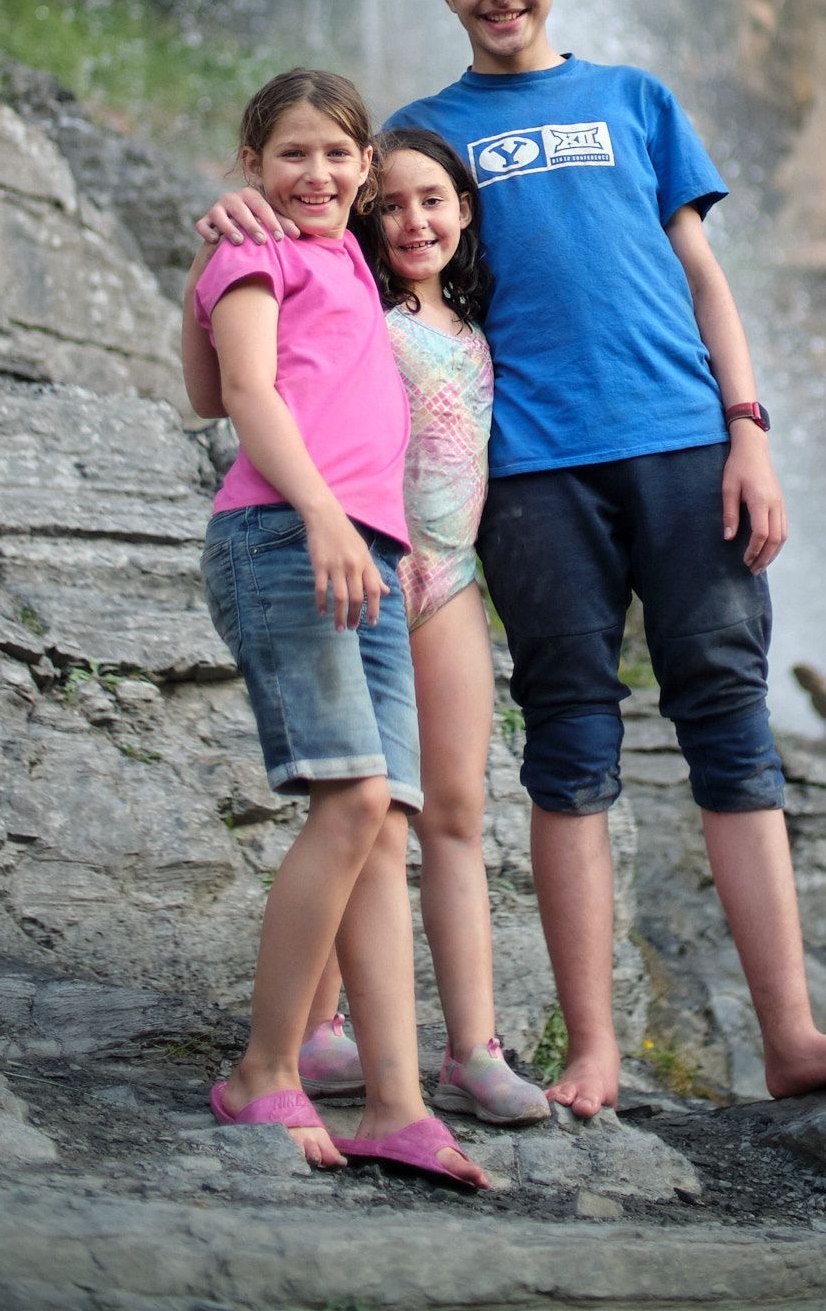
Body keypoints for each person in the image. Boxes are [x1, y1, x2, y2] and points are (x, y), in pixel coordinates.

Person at [196, 0, 826, 1121]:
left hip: (686, 445)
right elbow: (323, 267)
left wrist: (750, 429)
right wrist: (233, 217)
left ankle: (791, 1031)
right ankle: (594, 1051)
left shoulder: (635, 100)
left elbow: (703, 273)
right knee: (572, 734)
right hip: (529, 474)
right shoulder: (415, 135)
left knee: (729, 721)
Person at [183, 67, 487, 1186]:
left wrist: (378, 538)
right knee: (352, 797)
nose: (316, 172)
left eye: (335, 154)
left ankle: (397, 1102)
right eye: (290, 154)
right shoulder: (251, 247)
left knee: (385, 822)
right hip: (286, 536)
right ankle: (266, 1070)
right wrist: (323, 516)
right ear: (252, 166)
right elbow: (236, 394)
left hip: (371, 555)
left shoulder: (353, 256)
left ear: (364, 171)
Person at [293, 129, 549, 1124]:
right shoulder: (360, 309)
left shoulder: (476, 327)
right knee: (360, 808)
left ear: (465, 210)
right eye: (390, 204)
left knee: (454, 812)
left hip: (451, 582)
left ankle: (472, 1047)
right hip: (369, 572)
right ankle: (323, 1024)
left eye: (432, 199)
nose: (413, 220)